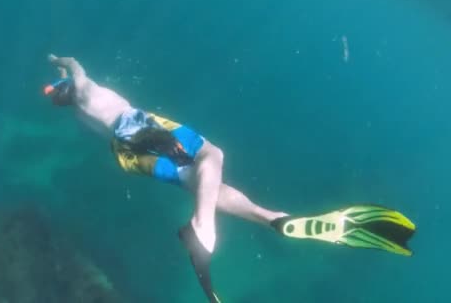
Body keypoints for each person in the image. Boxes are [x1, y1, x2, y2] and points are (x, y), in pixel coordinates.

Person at [44, 54, 416, 303]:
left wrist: (62, 82)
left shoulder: (78, 111)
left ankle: (273, 219)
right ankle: (202, 228)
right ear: (67, 90)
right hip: (138, 126)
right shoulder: (85, 90)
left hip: (124, 152)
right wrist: (60, 61)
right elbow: (77, 69)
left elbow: (72, 90)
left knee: (202, 181)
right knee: (213, 154)